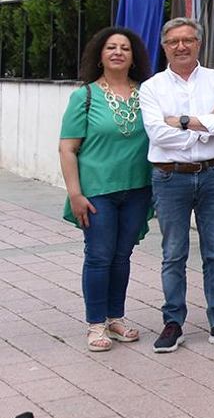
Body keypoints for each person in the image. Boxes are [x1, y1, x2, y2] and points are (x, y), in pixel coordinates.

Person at [139, 18, 214, 353]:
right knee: (173, 253)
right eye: (174, 41)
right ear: (164, 46)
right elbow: (157, 133)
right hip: (170, 176)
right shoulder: (152, 87)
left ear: (199, 42)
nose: (181, 46)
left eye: (188, 40)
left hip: (213, 174)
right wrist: (205, 124)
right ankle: (173, 323)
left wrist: (183, 122)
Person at [59, 27, 153, 352]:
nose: (117, 52)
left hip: (138, 189)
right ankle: (95, 324)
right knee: (99, 257)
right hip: (96, 191)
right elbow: (68, 149)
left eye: (124, 48)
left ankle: (116, 317)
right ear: (100, 55)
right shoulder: (84, 96)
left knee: (122, 255)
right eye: (111, 47)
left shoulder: (147, 94)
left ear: (133, 56)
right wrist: (75, 194)